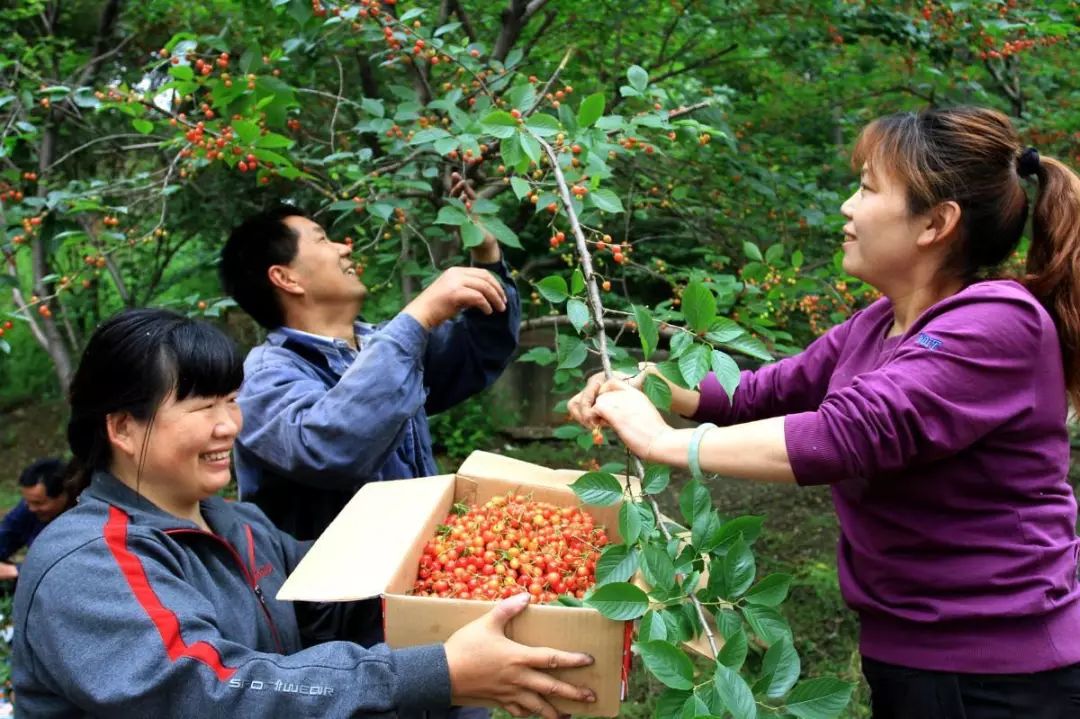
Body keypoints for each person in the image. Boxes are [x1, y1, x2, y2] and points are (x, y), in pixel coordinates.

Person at [569, 107, 1080, 718]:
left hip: (1003, 670)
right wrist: (653, 385)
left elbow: (847, 434)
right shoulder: (878, 324)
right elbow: (761, 390)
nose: (846, 206)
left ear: (936, 223)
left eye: (866, 188)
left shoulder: (1000, 321)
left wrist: (665, 443)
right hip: (916, 651)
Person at [12, 308, 595, 718]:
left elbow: (347, 608)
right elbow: (214, 692)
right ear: (121, 427)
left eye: (233, 401)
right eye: (202, 407)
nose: (229, 426)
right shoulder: (87, 563)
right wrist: (435, 672)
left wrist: (496, 608)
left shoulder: (238, 527)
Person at [219, 181, 520, 543]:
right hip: (332, 597)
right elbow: (330, 448)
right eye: (321, 240)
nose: (345, 248)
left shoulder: (378, 346)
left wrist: (485, 250)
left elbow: (479, 350)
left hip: (409, 577)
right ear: (286, 278)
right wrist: (419, 316)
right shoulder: (264, 376)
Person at [0, 458, 69, 581]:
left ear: (63, 495)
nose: (31, 508)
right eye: (28, 501)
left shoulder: (83, 521)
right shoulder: (28, 509)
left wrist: (15, 571)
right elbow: (7, 534)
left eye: (38, 503)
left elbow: (69, 566)